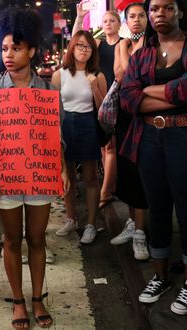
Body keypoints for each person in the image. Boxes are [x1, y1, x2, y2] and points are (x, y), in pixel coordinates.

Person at [0, 7, 69, 329]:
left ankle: (37, 298)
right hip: (8, 178)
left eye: (16, 48)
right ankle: (18, 300)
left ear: (31, 50)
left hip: (40, 178)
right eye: (4, 49)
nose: (9, 55)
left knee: (38, 239)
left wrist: (62, 169)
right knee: (12, 240)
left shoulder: (48, 93)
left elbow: (56, 139)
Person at [120, 0, 187, 315]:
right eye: (155, 9)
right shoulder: (142, 54)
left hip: (182, 136)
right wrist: (171, 93)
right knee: (157, 208)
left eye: (168, 8)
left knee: (186, 210)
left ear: (180, 12)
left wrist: (150, 91)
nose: (161, 14)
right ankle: (160, 276)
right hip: (147, 139)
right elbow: (128, 97)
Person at [51, 31, 107, 244]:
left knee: (91, 177)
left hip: (88, 124)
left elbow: (104, 110)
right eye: (80, 45)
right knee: (68, 177)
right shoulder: (60, 74)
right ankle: (71, 218)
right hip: (65, 125)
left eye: (88, 47)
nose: (84, 50)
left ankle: (91, 224)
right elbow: (53, 109)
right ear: (72, 48)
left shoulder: (98, 75)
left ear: (93, 51)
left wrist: (94, 87)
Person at [110, 2, 150, 261]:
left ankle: (142, 234)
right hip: (125, 117)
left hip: (145, 118)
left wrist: (123, 48)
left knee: (142, 176)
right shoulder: (124, 45)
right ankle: (133, 224)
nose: (136, 20)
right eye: (131, 16)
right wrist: (123, 47)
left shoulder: (151, 44)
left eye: (140, 16)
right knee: (127, 173)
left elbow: (126, 74)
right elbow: (118, 74)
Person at [73, 5, 121, 209]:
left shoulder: (123, 43)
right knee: (103, 145)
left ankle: (105, 192)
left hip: (115, 97)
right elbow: (76, 41)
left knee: (111, 146)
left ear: (119, 24)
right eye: (105, 21)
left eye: (112, 20)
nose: (108, 24)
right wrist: (79, 18)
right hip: (97, 95)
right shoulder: (98, 44)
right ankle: (111, 186)